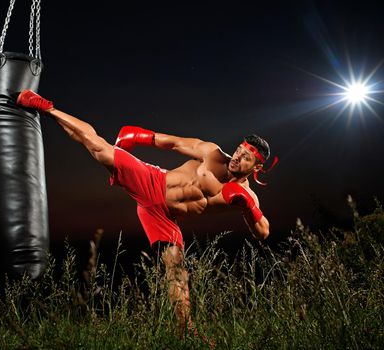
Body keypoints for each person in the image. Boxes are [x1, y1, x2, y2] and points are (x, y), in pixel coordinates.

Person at [16, 89, 273, 335]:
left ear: (257, 167)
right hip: (153, 182)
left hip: (165, 217)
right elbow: (173, 143)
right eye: (239, 149)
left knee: (176, 271)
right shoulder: (212, 153)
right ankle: (47, 108)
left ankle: (186, 332)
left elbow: (263, 233)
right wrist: (142, 137)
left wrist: (248, 208)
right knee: (99, 147)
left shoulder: (247, 196)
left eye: (246, 158)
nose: (238, 157)